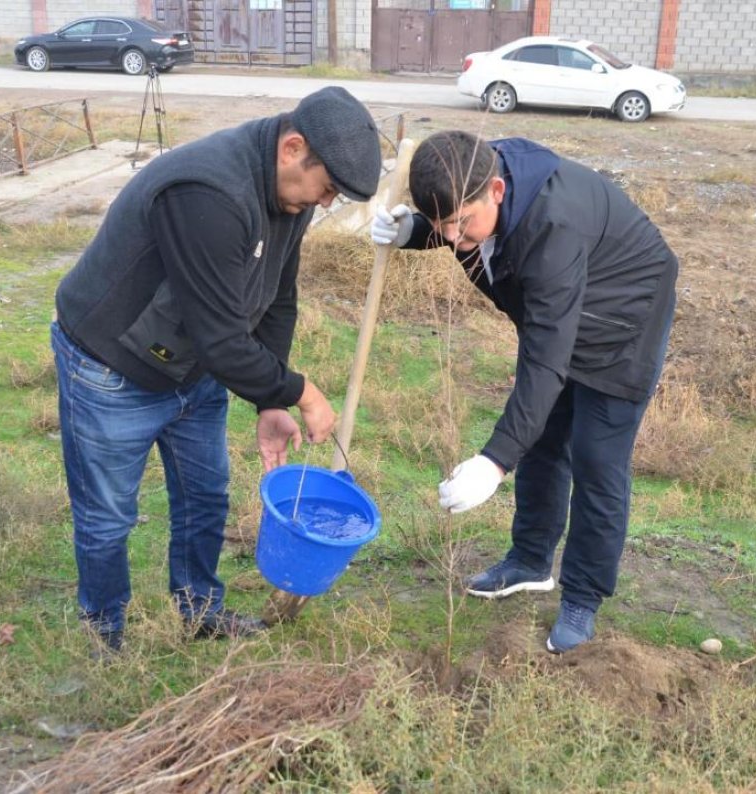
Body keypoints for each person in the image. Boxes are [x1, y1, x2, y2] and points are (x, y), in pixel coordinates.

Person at [52, 86, 382, 654]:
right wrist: (301, 391)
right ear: (293, 147)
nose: (326, 203)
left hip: (193, 370)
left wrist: (269, 400)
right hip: (110, 369)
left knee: (205, 498)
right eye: (327, 188)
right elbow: (224, 340)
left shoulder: (289, 196)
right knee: (109, 516)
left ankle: (199, 609)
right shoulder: (209, 194)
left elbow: (276, 297)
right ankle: (103, 632)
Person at [371, 131, 678, 653]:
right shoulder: (473, 177)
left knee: (596, 460)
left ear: (495, 190)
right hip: (560, 312)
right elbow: (465, 227)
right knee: (542, 442)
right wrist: (415, 232)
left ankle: (582, 597)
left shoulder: (553, 227)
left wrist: (493, 461)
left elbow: (545, 360)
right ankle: (530, 561)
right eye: (444, 226)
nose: (453, 239)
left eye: (459, 225)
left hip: (625, 320)